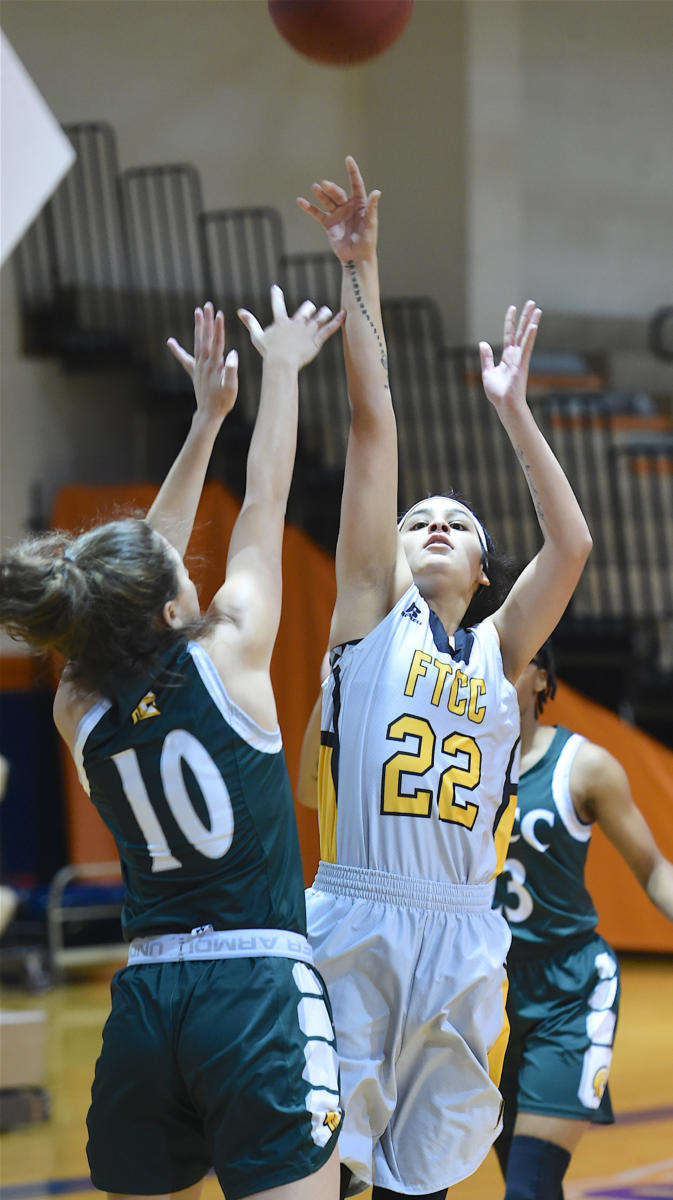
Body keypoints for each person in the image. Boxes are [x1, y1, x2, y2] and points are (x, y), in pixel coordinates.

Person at [0, 289, 346, 1200]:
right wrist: (277, 373)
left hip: (150, 999)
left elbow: (116, 585)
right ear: (168, 609)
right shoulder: (231, 658)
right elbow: (266, 493)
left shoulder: (77, 709)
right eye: (181, 577)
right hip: (255, 987)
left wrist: (201, 424)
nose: (193, 568)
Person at [295, 156, 593, 1200]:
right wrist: (362, 266)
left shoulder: (503, 649)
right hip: (361, 905)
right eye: (417, 516)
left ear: (479, 567)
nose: (428, 525)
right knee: (330, 1158)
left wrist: (512, 410)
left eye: (453, 524)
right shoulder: (373, 610)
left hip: (467, 925)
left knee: (426, 1169)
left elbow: (571, 545)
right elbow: (373, 424)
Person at [493, 640, 673, 1200]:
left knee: (529, 1184)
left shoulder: (585, 766)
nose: (493, 676)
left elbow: (653, 869)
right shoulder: (457, 767)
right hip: (485, 996)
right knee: (525, 1183)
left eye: (510, 664)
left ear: (543, 680)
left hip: (567, 989)